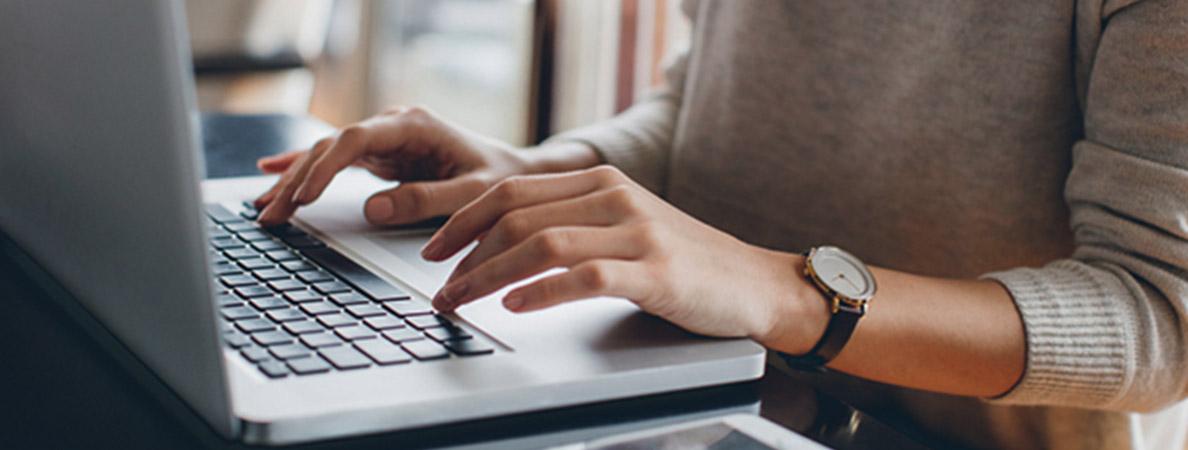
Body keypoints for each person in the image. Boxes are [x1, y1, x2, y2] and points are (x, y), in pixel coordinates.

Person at [252, 1, 1188, 448]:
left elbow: (1158, 317)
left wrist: (786, 292)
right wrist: (543, 171)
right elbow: (694, 104)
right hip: (695, 406)